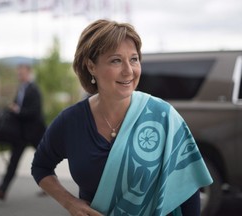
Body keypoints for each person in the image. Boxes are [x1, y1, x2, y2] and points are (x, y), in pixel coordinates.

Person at [31, 19, 213, 216]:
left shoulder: (164, 116)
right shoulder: (70, 122)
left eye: (134, 59)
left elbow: (188, 189)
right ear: (91, 66)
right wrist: (70, 203)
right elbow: (41, 166)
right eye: (116, 60)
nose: (129, 71)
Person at [0, 64, 46, 200]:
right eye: (18, 73)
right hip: (21, 135)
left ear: (29, 73)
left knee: (44, 161)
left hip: (35, 134)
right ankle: (2, 190)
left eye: (22, 73)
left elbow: (35, 112)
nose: (19, 76)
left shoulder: (34, 89)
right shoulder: (21, 89)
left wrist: (17, 110)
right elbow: (17, 108)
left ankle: (50, 187)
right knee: (13, 163)